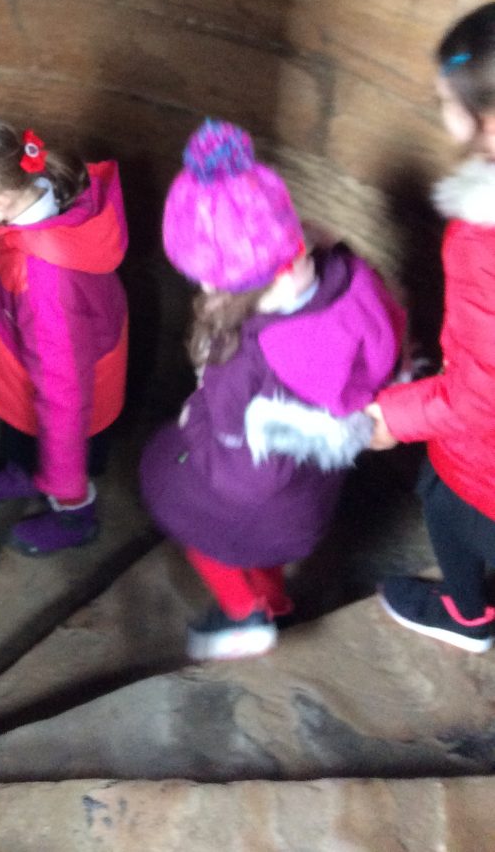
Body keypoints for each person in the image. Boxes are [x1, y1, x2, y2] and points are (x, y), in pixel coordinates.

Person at [139, 119, 405, 661]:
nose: (203, 286)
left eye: (208, 277)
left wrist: (196, 432)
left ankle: (246, 615)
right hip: (307, 495)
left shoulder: (245, 361)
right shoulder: (350, 279)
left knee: (205, 535)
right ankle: (275, 601)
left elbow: (243, 479)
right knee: (262, 547)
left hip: (250, 492)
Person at [0, 117, 128, 556]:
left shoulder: (43, 283)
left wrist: (64, 476)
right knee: (20, 432)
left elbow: (63, 392)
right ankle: (24, 470)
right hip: (28, 365)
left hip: (62, 391)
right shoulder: (38, 193)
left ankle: (74, 515)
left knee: (57, 450)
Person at [367, 3, 495, 653]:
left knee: (448, 509)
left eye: (446, 99)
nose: (440, 109)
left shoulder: (484, 242)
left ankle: (470, 616)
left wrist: (391, 415)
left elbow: (480, 393)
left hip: (483, 467)